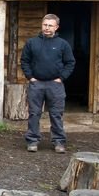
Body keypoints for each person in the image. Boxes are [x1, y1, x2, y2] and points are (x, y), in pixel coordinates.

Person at [21, 14, 75, 153]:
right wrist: (30, 77)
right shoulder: (32, 43)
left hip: (55, 85)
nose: (47, 28)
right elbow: (24, 61)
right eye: (45, 25)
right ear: (42, 25)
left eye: (50, 25)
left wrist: (61, 77)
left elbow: (70, 62)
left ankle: (59, 142)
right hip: (36, 84)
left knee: (56, 114)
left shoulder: (62, 44)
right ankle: (32, 141)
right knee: (34, 113)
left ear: (56, 27)